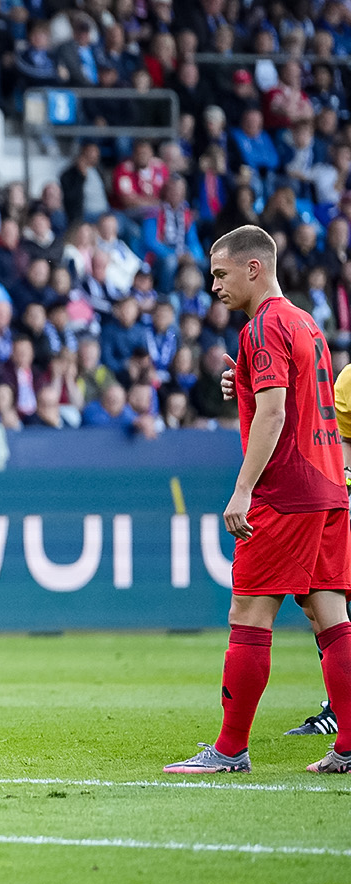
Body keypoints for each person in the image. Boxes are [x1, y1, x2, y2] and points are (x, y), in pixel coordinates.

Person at [164, 225, 351, 776]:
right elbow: (288, 395)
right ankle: (348, 746)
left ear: (253, 268)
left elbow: (274, 414)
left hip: (285, 492)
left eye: (221, 274)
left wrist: (242, 490)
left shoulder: (264, 327)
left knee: (248, 613)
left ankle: (228, 750)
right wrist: (243, 381)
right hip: (328, 486)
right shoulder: (304, 323)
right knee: (331, 617)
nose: (214, 286)